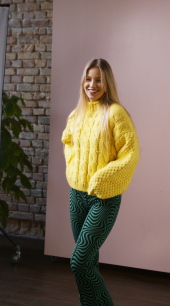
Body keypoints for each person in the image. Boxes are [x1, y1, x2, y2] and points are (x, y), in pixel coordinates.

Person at [61, 58, 140, 305]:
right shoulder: (76, 114)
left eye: (98, 80)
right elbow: (70, 147)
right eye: (88, 78)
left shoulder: (116, 113)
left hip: (103, 198)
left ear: (107, 83)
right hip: (77, 196)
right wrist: (74, 173)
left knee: (79, 261)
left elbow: (131, 154)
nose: (92, 85)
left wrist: (102, 178)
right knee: (89, 263)